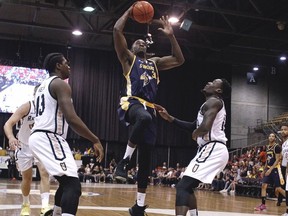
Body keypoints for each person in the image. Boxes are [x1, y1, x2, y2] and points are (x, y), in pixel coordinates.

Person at [113, 3, 185, 215]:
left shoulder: (155, 63)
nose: (141, 42)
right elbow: (117, 30)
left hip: (150, 108)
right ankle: (123, 162)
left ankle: (138, 206)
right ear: (132, 48)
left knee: (146, 159)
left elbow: (180, 60)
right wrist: (129, 10)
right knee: (143, 118)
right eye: (137, 41)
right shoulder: (128, 59)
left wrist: (171, 36)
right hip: (132, 102)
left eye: (143, 41)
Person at [28, 52, 104, 216]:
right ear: (58, 66)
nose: (69, 66)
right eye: (66, 63)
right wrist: (95, 139)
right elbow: (71, 118)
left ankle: (55, 213)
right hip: (48, 136)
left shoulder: (43, 85)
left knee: (65, 183)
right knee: (73, 185)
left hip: (43, 136)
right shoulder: (60, 84)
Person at [155, 78, 231, 216]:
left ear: (218, 90)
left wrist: (196, 134)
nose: (209, 82)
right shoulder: (210, 103)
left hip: (213, 148)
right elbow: (193, 126)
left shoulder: (214, 101)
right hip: (210, 149)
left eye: (213, 82)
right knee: (187, 187)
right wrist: (170, 118)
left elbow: (204, 128)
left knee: (182, 186)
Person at [4, 85, 53, 216]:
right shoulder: (28, 106)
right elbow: (8, 124)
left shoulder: (50, 108)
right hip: (24, 145)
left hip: (40, 145)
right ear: (35, 94)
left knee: (44, 173)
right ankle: (25, 204)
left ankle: (45, 206)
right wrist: (10, 137)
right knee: (27, 178)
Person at [254, 133, 285, 211]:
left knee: (278, 189)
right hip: (268, 169)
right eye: (270, 136)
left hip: (275, 169)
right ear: (268, 137)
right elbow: (268, 160)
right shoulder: (267, 147)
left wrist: (270, 169)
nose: (271, 137)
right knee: (263, 186)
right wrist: (264, 170)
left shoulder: (277, 147)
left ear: (275, 138)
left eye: (273, 136)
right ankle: (263, 205)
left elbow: (278, 159)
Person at [280, 124, 288, 216]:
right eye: (282, 130)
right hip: (284, 167)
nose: (283, 131)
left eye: (285, 129)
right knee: (286, 190)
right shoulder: (284, 144)